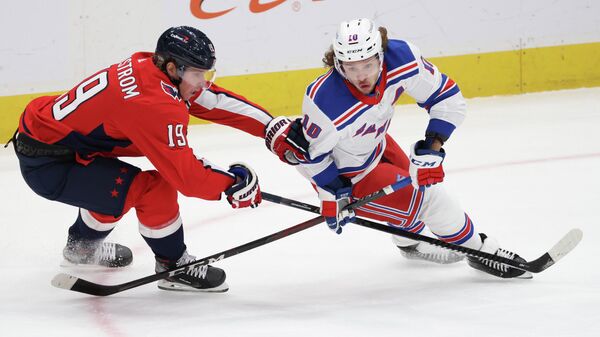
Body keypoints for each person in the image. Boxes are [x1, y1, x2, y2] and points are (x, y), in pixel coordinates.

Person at [264, 18, 531, 279]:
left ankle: (408, 243)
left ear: (380, 55)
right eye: (350, 67)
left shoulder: (401, 57)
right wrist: (332, 191)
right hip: (348, 176)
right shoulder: (324, 101)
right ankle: (483, 253)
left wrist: (431, 148)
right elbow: (309, 156)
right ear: (337, 63)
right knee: (431, 201)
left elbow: (447, 98)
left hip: (376, 144)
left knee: (418, 187)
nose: (361, 76)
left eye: (368, 65)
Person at [11, 26, 265, 292]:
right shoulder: (154, 103)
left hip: (56, 142)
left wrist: (268, 128)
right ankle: (173, 265)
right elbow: (187, 178)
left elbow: (184, 127)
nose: (203, 82)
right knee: (152, 189)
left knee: (115, 187)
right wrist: (231, 184)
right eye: (196, 73)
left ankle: (81, 249)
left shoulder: (146, 66)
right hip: (52, 164)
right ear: (171, 69)